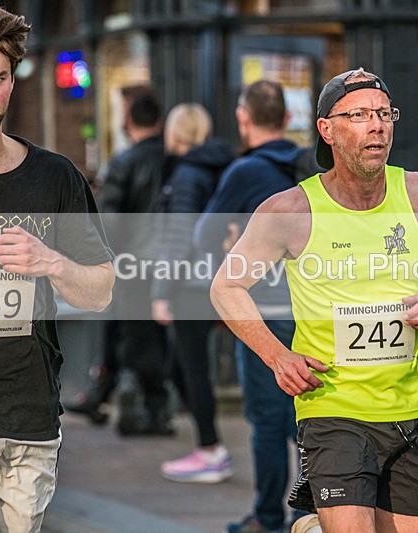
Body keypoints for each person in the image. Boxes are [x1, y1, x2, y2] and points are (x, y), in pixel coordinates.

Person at [210, 68, 418, 533]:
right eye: (358, 115)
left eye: (383, 113)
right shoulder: (288, 211)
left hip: (414, 410)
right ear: (326, 130)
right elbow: (225, 287)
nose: (376, 125)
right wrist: (277, 356)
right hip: (332, 408)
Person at [0, 2, 114, 531]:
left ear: (12, 81)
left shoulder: (54, 178)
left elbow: (101, 290)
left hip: (31, 422)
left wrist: (52, 262)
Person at [195, 80, 317, 533]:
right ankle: (314, 512)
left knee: (267, 421)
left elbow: (202, 237)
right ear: (288, 119)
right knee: (313, 419)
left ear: (244, 119)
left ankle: (271, 516)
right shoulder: (314, 169)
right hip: (316, 310)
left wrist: (233, 241)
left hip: (265, 312)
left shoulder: (243, 173)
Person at [151, 102, 235, 482]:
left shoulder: (186, 174)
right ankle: (209, 444)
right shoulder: (220, 168)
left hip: (189, 283)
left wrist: (161, 291)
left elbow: (177, 237)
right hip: (216, 280)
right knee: (185, 365)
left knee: (193, 368)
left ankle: (210, 450)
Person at [96, 84, 174, 435]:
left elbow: (108, 221)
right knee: (162, 337)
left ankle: (152, 407)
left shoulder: (124, 162)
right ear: (159, 122)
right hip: (175, 262)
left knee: (138, 336)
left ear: (128, 122)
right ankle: (156, 403)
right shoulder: (174, 159)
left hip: (134, 264)